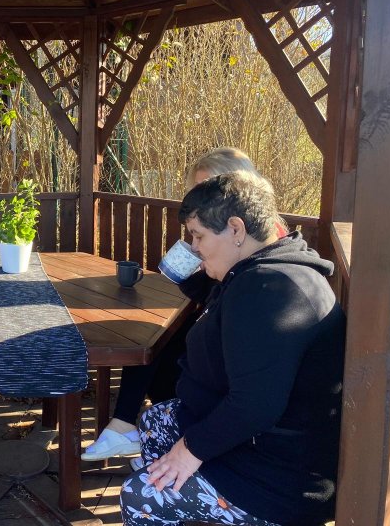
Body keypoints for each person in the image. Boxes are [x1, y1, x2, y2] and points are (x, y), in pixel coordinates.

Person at [119, 171, 345, 526]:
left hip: (275, 480)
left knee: (140, 495)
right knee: (154, 421)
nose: (194, 247)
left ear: (236, 229)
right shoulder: (264, 270)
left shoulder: (271, 293)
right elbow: (220, 304)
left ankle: (174, 493)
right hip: (256, 442)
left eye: (199, 235)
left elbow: (256, 405)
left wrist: (188, 452)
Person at [83, 147, 282, 462]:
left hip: (233, 386)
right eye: (198, 190)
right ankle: (132, 428)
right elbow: (208, 294)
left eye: (212, 187)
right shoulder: (217, 235)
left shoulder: (264, 251)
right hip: (212, 346)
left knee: (162, 339)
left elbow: (254, 391)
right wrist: (197, 269)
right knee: (153, 334)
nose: (203, 199)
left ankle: (153, 437)